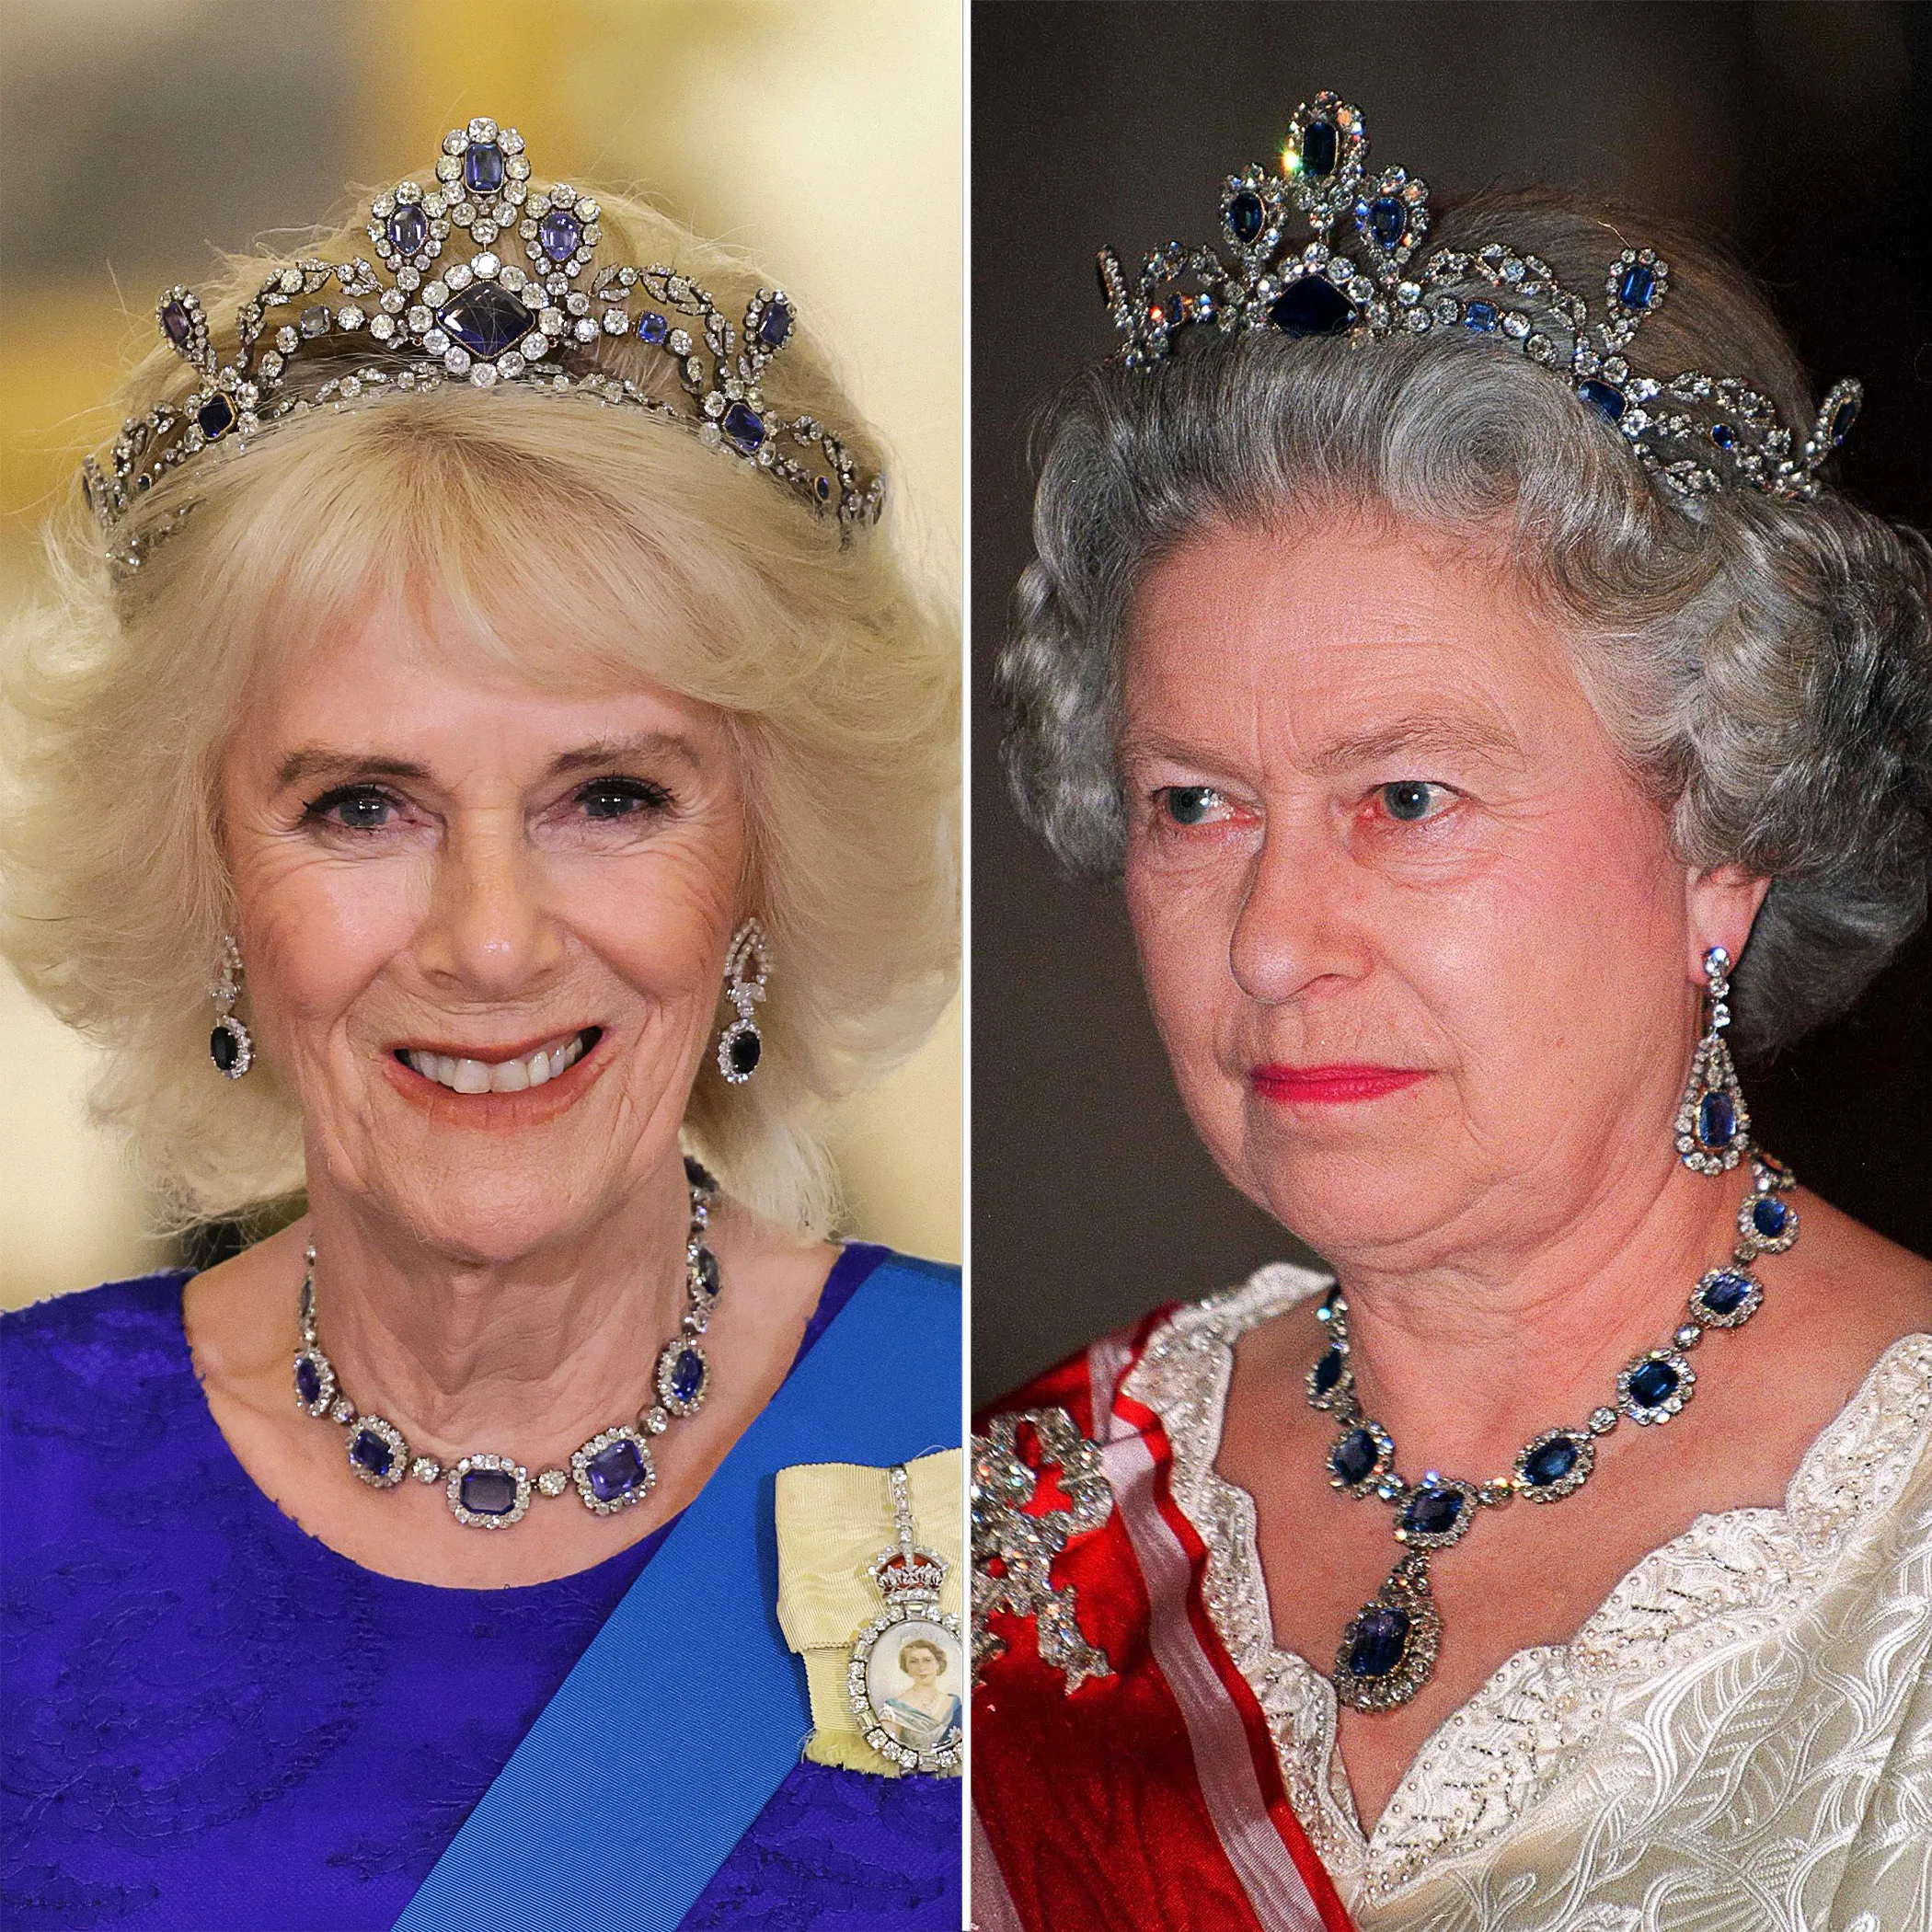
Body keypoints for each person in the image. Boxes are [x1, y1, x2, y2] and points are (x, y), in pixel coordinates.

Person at [972, 86, 1932, 1932]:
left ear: (1725, 834)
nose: (1271, 940)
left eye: (1405, 798)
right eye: (1194, 805)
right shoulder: (1019, 1524)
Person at [0, 116, 960, 1930]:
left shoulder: (996, 1471)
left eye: (612, 797)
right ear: (212, 886)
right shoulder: (17, 1491)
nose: (492, 940)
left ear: (762, 872)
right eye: (363, 806)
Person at [883, 1637, 965, 1753]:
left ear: (938, 1664)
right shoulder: (894, 1709)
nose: (921, 1667)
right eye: (913, 1661)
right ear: (906, 1667)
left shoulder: (956, 1704)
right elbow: (889, 1751)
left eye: (927, 1660)